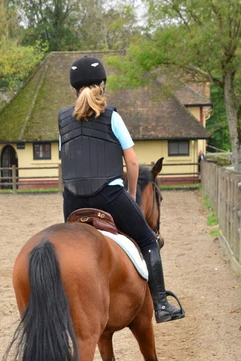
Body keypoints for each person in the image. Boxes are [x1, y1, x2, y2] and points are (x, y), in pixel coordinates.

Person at [58, 55, 185, 323]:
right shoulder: (112, 117)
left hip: (72, 201)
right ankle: (161, 305)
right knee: (149, 239)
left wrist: (70, 192)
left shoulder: (63, 120)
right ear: (101, 85)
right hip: (109, 195)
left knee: (67, 248)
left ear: (74, 88)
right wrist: (128, 192)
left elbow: (65, 162)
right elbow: (132, 161)